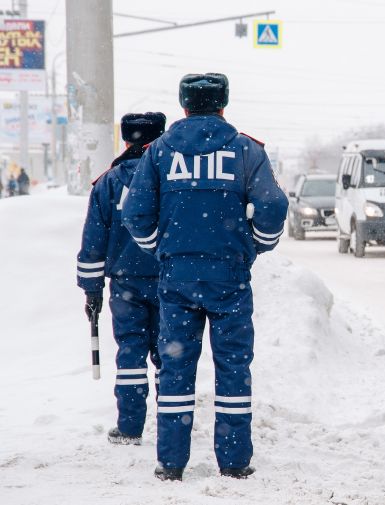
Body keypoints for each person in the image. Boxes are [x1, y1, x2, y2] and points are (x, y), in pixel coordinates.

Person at [122, 73, 288, 481]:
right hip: (229, 276)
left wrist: (162, 248)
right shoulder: (246, 150)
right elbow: (272, 206)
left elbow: (135, 214)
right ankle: (233, 462)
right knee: (233, 365)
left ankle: (171, 462)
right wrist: (253, 246)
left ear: (183, 106)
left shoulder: (159, 152)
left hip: (177, 277)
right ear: (223, 104)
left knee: (175, 368)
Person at [76, 112, 167, 446]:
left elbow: (93, 243)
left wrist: (91, 289)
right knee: (168, 354)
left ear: (126, 140)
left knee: (130, 351)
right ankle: (172, 422)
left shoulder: (109, 182)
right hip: (167, 281)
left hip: (125, 283)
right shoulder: (170, 176)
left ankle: (129, 427)